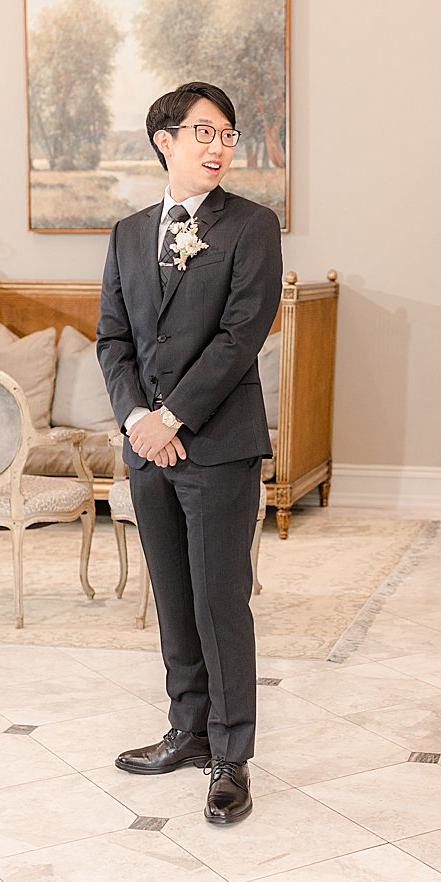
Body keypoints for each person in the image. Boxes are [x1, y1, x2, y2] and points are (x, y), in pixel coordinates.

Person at [97, 81, 282, 826]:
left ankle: (232, 755)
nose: (218, 146)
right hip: (150, 452)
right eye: (203, 132)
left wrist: (174, 414)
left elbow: (242, 336)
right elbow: (113, 339)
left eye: (228, 135)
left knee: (218, 600)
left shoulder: (252, 226)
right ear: (165, 141)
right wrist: (140, 418)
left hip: (217, 445)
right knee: (172, 597)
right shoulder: (125, 233)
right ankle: (188, 730)